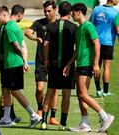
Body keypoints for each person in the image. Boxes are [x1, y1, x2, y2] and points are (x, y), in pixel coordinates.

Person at [0, 6, 41, 127]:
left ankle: (34, 115)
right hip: (9, 65)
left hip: (12, 65)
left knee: (14, 92)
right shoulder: (10, 26)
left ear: (4, 15)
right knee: (5, 90)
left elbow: (16, 45)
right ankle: (6, 118)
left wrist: (23, 59)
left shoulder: (9, 27)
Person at [69, 3, 114, 132]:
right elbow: (78, 50)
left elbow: (97, 45)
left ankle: (105, 116)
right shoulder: (79, 28)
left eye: (73, 12)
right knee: (80, 94)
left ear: (79, 12)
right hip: (80, 64)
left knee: (83, 95)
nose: (72, 14)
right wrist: (69, 64)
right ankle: (85, 123)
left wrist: (95, 64)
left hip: (87, 64)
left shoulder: (89, 26)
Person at [41, 1, 77, 130]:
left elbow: (46, 44)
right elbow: (77, 48)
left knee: (50, 91)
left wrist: (46, 60)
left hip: (54, 64)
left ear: (58, 11)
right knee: (66, 94)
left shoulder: (51, 26)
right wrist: (70, 62)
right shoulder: (74, 27)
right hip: (68, 65)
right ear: (70, 12)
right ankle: (62, 123)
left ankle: (44, 122)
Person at [0, 4, 26, 123]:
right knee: (7, 90)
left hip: (7, 62)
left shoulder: (7, 26)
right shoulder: (3, 27)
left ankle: (10, 116)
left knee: (8, 89)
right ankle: (3, 116)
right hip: (6, 63)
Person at [24, 0, 59, 125]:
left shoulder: (60, 25)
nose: (47, 13)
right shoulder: (39, 23)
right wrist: (36, 38)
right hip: (40, 61)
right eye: (45, 11)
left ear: (55, 10)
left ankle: (52, 116)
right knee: (40, 89)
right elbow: (27, 32)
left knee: (54, 90)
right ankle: (40, 108)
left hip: (55, 62)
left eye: (49, 11)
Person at [90, 0, 119, 97]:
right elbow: (118, 30)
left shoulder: (96, 9)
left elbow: (91, 24)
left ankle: (98, 90)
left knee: (97, 66)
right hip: (108, 43)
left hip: (96, 42)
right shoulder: (116, 12)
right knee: (107, 67)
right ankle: (105, 92)